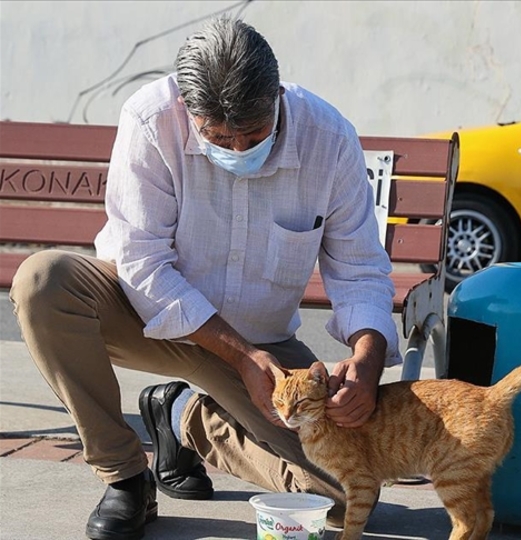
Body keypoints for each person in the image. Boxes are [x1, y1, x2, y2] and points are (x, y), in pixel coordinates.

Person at [9, 15, 400, 540]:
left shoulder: (329, 139)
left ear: (278, 98)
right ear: (187, 109)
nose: (238, 150)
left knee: (344, 495)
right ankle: (125, 476)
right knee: (43, 281)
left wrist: (367, 360)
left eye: (254, 135)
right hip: (143, 317)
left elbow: (360, 268)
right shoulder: (151, 119)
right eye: (217, 137)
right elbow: (141, 261)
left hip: (262, 347)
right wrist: (238, 356)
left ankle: (181, 417)